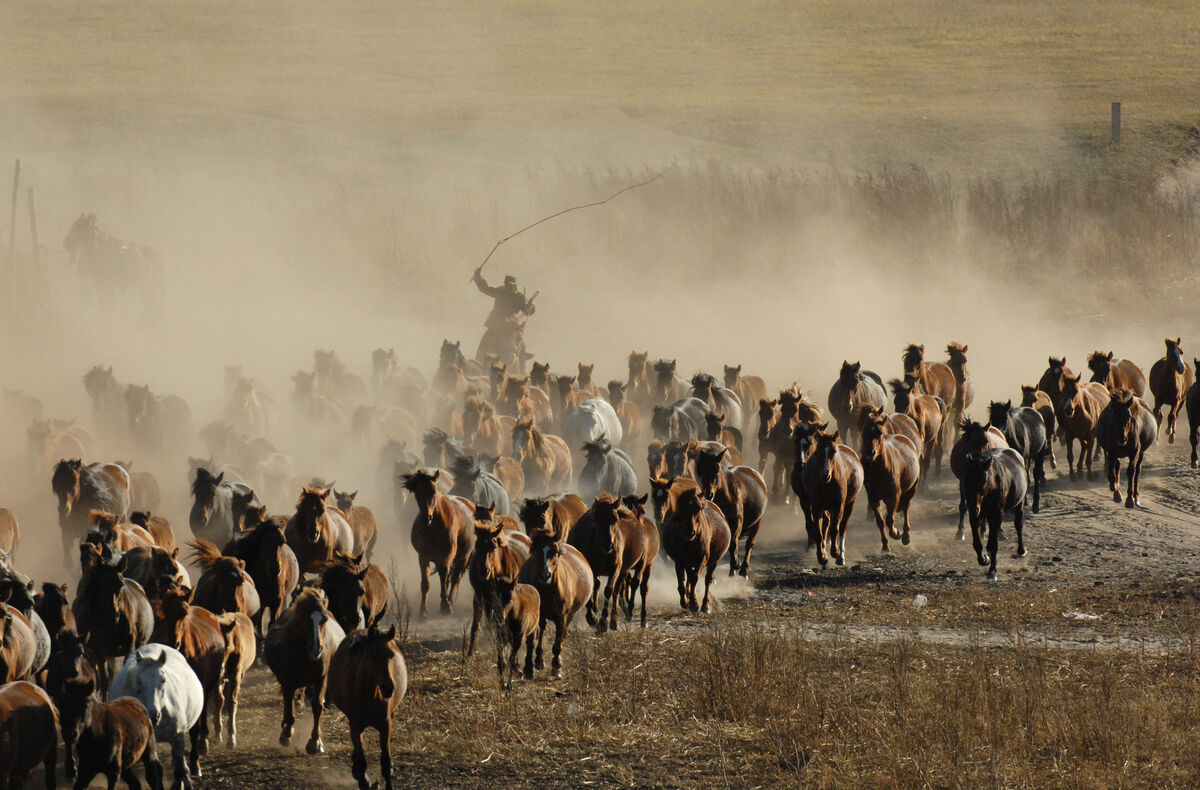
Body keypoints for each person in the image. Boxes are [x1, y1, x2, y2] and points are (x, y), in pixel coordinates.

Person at [472, 267, 537, 371]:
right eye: (508, 285)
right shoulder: (499, 292)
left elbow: (527, 311)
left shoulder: (519, 297)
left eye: (512, 285)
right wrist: (478, 277)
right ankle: (477, 366)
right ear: (505, 284)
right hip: (495, 325)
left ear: (515, 286)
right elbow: (486, 289)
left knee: (522, 346)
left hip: (510, 327)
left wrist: (531, 307)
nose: (509, 287)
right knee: (484, 342)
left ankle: (521, 371)